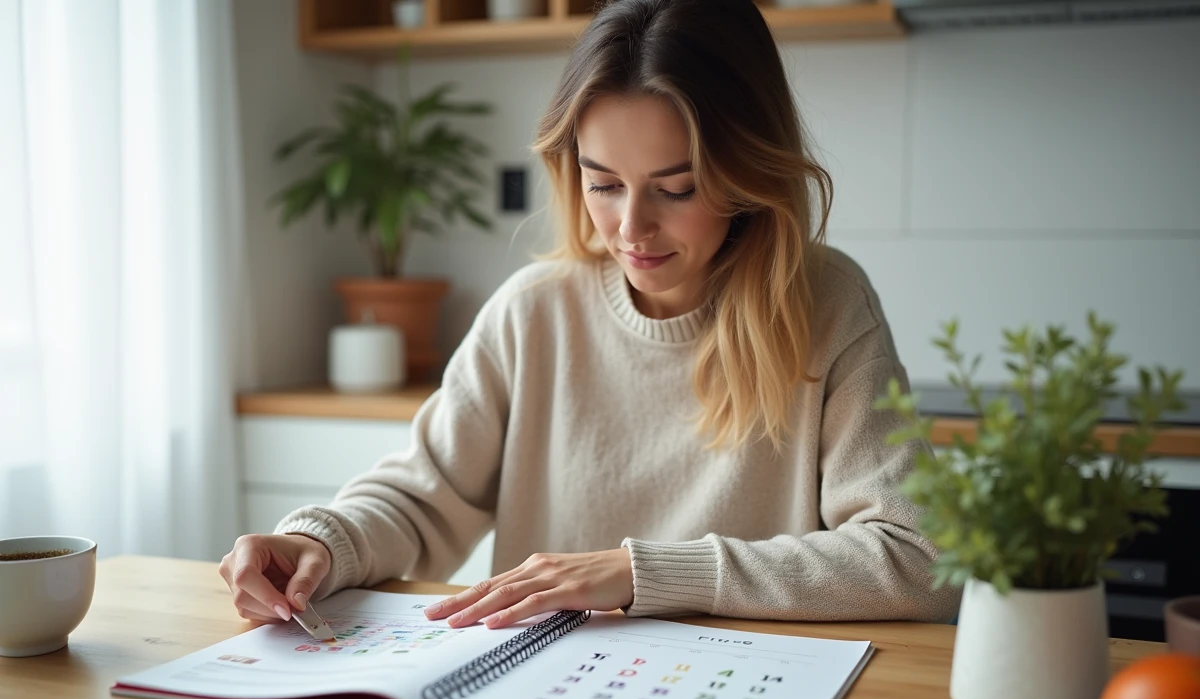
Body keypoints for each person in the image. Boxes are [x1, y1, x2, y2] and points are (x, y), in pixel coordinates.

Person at [220, 0, 960, 631]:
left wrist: (642, 574)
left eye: (676, 189)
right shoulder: (533, 313)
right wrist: (325, 540)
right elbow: (421, 499)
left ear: (748, 178)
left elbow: (921, 559)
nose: (631, 227)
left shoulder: (826, 303)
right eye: (603, 183)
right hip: (541, 695)